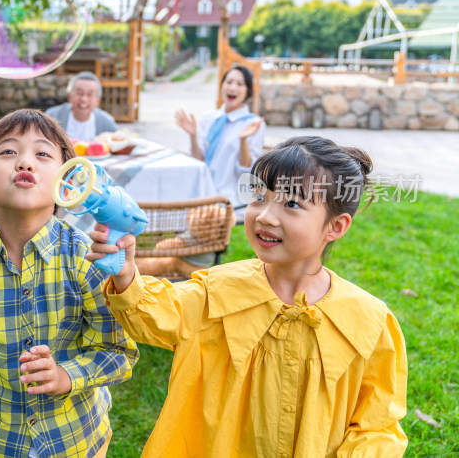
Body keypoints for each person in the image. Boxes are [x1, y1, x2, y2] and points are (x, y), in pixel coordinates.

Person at [89, 136, 408, 457]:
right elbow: (156, 316)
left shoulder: (369, 322)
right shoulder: (218, 291)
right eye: (259, 196)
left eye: (292, 203)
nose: (266, 215)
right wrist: (127, 273)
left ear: (335, 226)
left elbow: (378, 424)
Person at [0, 109, 139, 458]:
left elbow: (118, 351)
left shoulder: (88, 262)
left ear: (68, 185)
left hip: (77, 441)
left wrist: (65, 376)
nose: (25, 163)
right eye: (8, 152)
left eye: (42, 154)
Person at [174, 65, 265, 216]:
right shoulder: (209, 117)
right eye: (229, 82)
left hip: (229, 195)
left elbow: (246, 170)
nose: (232, 87)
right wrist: (193, 135)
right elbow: (199, 160)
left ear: (248, 92)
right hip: (202, 188)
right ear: (222, 86)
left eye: (239, 84)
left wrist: (242, 140)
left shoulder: (254, 124)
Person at [46, 71, 117, 141]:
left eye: (89, 94)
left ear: (98, 100)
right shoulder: (52, 117)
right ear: (69, 96)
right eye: (79, 93)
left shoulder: (107, 123)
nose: (84, 99)